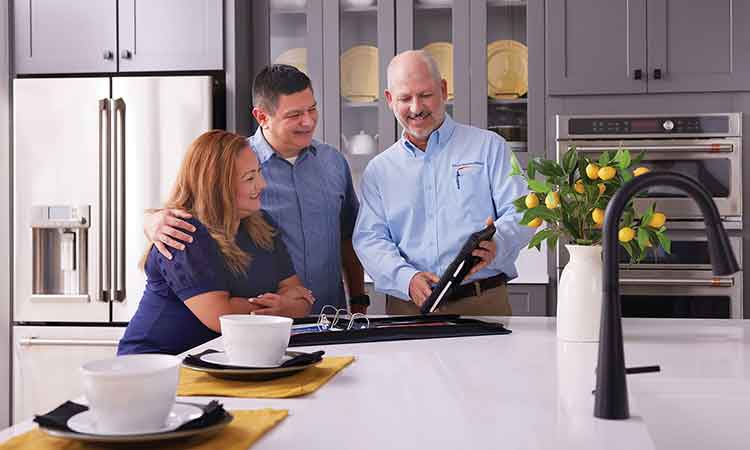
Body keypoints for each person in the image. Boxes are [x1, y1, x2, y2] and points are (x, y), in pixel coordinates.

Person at [140, 65, 369, 314]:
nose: (308, 121)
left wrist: (358, 300)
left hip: (330, 318)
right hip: (261, 321)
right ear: (262, 117)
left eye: (312, 109)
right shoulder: (235, 164)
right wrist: (151, 221)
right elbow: (193, 205)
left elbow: (347, 237)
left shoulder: (333, 162)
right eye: (294, 115)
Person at [353, 50, 535, 316]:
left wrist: (499, 241)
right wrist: (406, 279)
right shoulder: (379, 171)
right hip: (409, 308)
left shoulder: (489, 147)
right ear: (390, 100)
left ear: (443, 89)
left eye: (425, 95)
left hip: (483, 302)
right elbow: (370, 239)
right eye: (405, 98)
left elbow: (524, 210)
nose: (416, 108)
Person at [118, 130, 314, 355]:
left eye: (259, 172)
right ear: (217, 187)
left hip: (215, 360)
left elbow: (301, 297)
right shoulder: (184, 233)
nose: (262, 184)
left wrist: (285, 305)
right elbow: (221, 317)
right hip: (157, 364)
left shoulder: (261, 225)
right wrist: (281, 307)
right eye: (249, 178)